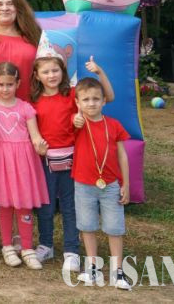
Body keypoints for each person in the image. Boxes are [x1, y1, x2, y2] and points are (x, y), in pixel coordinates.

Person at [32, 40, 117, 274]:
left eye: (55, 70)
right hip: (45, 161)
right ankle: (46, 244)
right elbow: (31, 126)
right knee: (46, 205)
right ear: (37, 75)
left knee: (70, 206)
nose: (51, 75)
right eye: (46, 71)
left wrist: (99, 72)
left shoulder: (72, 95)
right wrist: (36, 142)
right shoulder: (34, 100)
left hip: (73, 160)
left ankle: (71, 250)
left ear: (63, 71)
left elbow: (108, 97)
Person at [0, 62, 49, 270]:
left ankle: (27, 248)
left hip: (24, 160)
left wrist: (40, 146)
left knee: (24, 204)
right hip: (2, 160)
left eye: (9, 84)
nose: (5, 89)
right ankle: (7, 246)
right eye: (1, 84)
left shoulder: (25, 107)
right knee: (6, 204)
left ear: (18, 83)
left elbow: (35, 135)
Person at [72, 76, 131, 290]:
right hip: (83, 185)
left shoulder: (114, 125)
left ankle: (118, 271)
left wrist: (126, 184)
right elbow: (67, 128)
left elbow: (122, 156)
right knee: (87, 226)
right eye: (86, 99)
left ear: (104, 101)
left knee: (115, 228)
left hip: (111, 185)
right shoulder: (77, 124)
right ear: (78, 102)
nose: (91, 103)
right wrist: (75, 119)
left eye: (96, 99)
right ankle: (92, 268)